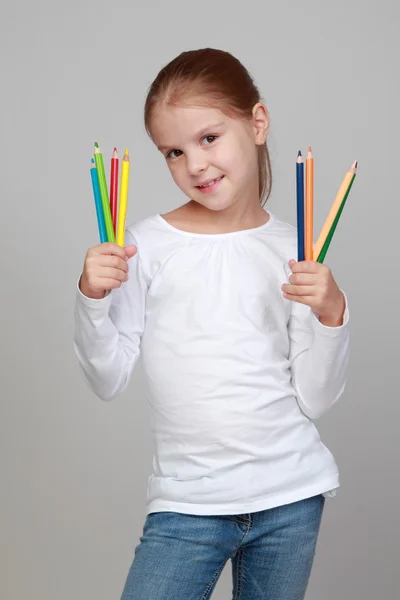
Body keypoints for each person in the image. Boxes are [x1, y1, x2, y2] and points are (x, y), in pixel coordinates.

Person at [74, 48, 350, 600]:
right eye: (173, 152)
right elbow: (107, 379)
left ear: (258, 123)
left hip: (291, 496)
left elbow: (315, 399)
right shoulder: (143, 247)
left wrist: (331, 313)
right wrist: (91, 297)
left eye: (208, 138)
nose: (194, 165)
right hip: (188, 505)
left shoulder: (295, 250)